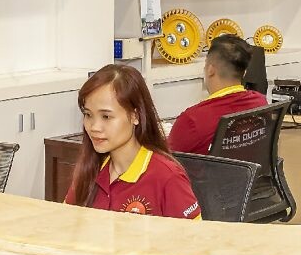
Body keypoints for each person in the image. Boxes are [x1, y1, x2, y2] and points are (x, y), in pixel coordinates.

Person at [64, 64, 202, 219]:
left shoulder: (168, 177)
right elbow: (65, 226)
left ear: (135, 116)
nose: (94, 127)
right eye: (88, 115)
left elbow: (194, 234)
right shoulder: (89, 170)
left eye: (106, 117)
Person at [168, 34, 267, 155]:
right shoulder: (261, 103)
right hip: (250, 167)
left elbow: (167, 160)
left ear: (211, 70)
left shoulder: (192, 120)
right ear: (244, 72)